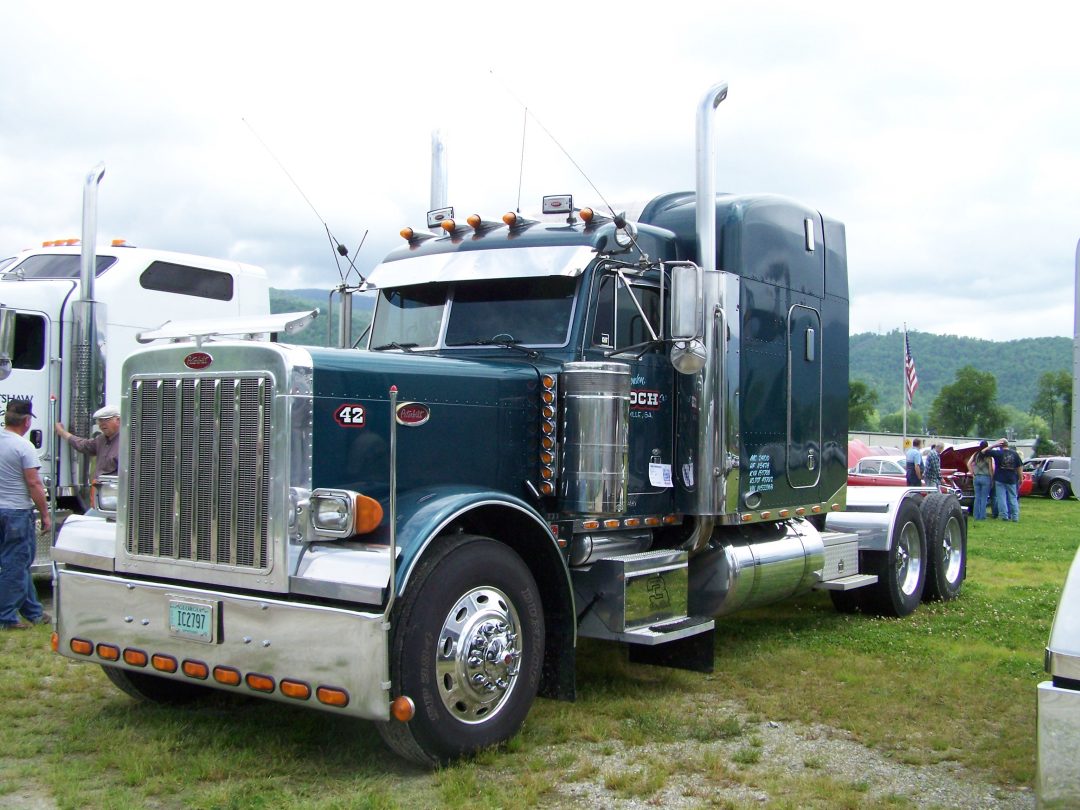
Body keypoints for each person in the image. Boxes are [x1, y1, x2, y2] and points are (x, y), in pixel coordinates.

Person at [0, 400, 52, 630]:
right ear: (27, 421)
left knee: (19, 564)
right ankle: (5, 617)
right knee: (16, 564)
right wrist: (45, 514)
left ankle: (34, 613)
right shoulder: (24, 447)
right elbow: (34, 484)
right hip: (16, 513)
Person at [55, 404, 120, 476]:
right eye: (100, 420)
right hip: (100, 485)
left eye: (107, 419)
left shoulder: (127, 443)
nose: (102, 424)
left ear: (118, 420)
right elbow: (82, 445)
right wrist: (62, 432)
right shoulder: (101, 440)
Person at [982, 438, 1023, 522]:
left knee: (1001, 498)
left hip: (999, 479)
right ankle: (1015, 517)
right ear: (1007, 444)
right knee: (1013, 498)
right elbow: (1019, 467)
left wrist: (994, 445)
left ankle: (1004, 516)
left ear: (1000, 445)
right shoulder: (1015, 454)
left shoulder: (997, 453)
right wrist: (1021, 478)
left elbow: (983, 451)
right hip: (1011, 478)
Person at [966, 440, 994, 520]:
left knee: (977, 497)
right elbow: (990, 469)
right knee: (984, 498)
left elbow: (969, 463)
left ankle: (976, 515)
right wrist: (992, 479)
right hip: (986, 477)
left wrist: (972, 473)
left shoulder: (975, 454)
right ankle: (982, 516)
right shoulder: (988, 456)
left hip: (976, 477)